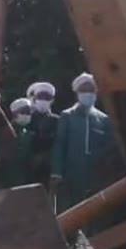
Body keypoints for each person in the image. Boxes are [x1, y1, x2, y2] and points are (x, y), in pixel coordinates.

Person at [50, 73, 113, 211]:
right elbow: (60, 145)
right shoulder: (67, 116)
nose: (88, 94)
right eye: (84, 90)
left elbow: (109, 148)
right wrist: (57, 172)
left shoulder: (103, 119)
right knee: (69, 210)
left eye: (91, 90)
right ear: (77, 93)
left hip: (95, 175)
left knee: (94, 210)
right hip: (70, 173)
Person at [0, 97, 36, 188]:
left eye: (29, 112)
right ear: (15, 114)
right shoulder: (4, 132)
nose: (28, 114)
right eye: (24, 111)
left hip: (24, 178)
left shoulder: (28, 134)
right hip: (5, 178)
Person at [26, 81, 59, 186]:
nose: (43, 100)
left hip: (50, 169)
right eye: (40, 96)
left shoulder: (57, 120)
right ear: (35, 99)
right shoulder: (27, 119)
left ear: (52, 100)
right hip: (28, 169)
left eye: (47, 97)